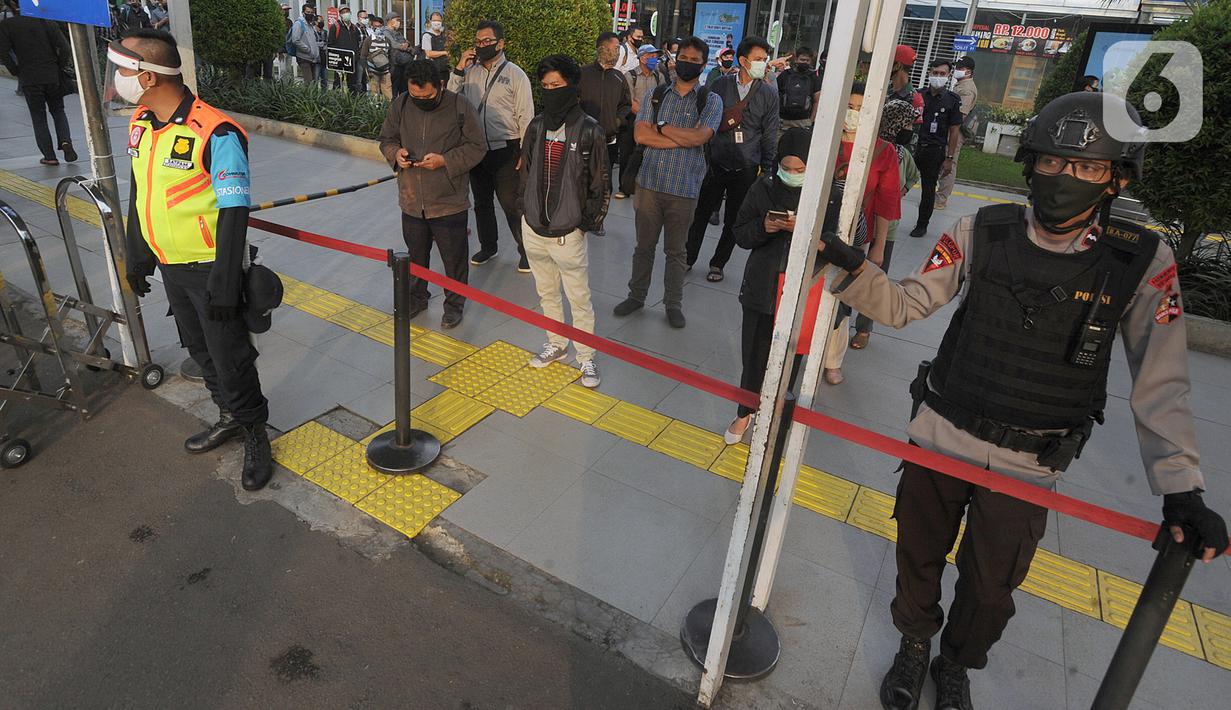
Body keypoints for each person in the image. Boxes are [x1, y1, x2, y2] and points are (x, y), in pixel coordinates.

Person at [812, 91, 1230, 710]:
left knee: (991, 588)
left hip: (1030, 463)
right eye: (1054, 163)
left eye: (1088, 168)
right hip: (941, 434)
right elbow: (906, 305)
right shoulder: (981, 230)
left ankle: (955, 663)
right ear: (1031, 163)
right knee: (918, 555)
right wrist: (846, 267)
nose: (1066, 178)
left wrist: (1181, 487)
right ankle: (915, 643)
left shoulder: (1141, 261)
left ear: (1115, 180)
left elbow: (1161, 378)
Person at [114, 29, 273, 490]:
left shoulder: (216, 132)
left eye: (124, 70)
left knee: (232, 358)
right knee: (200, 351)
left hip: (210, 268)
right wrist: (137, 253)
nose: (119, 79)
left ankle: (255, 434)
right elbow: (139, 192)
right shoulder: (141, 123)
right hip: (171, 266)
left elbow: (234, 210)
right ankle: (227, 416)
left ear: (147, 76)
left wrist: (225, 285)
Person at [724, 128, 834, 444]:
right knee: (754, 358)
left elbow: (846, 242)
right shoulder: (763, 188)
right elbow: (741, 233)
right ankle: (745, 413)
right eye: (787, 168)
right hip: (763, 288)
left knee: (790, 359)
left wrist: (807, 232)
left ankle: (777, 412)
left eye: (800, 170)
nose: (792, 174)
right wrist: (765, 227)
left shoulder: (826, 194)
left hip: (802, 291)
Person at [613, 35, 721, 329]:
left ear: (703, 64)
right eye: (683, 58)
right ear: (676, 60)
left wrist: (662, 129)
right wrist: (681, 138)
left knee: (677, 252)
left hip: (684, 188)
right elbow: (641, 136)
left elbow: (701, 137)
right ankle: (636, 296)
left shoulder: (710, 100)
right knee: (643, 247)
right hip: (649, 184)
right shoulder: (656, 95)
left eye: (694, 60)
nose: (687, 63)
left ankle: (673, 304)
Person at [519, 54, 609, 389]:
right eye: (544, 86)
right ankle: (556, 344)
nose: (549, 91)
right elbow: (524, 173)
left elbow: (601, 184)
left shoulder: (590, 130)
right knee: (546, 292)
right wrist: (523, 211)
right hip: (534, 228)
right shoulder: (536, 125)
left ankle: (586, 357)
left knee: (578, 297)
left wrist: (585, 224)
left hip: (567, 233)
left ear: (572, 86)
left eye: (556, 85)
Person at [379, 59, 485, 330]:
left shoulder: (460, 106)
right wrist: (396, 154)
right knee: (416, 256)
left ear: (439, 85)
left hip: (448, 202)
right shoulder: (401, 105)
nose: (420, 100)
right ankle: (417, 297)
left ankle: (454, 305)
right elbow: (387, 139)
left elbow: (477, 146)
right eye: (416, 96)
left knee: (454, 259)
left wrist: (445, 161)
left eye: (426, 96)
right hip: (412, 200)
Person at [684, 36, 779, 283]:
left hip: (747, 166)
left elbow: (770, 134)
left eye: (765, 59)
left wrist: (767, 170)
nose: (763, 64)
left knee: (734, 219)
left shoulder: (769, 94)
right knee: (701, 214)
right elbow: (705, 121)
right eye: (759, 59)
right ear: (743, 60)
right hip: (715, 163)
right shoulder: (720, 86)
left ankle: (718, 263)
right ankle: (688, 257)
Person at [448, 20, 534, 271]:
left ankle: (526, 250)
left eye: (487, 41)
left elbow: (525, 116)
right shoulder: (469, 72)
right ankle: (488, 246)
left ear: (500, 43)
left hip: (506, 148)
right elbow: (451, 101)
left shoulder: (515, 74)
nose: (482, 45)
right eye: (478, 41)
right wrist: (459, 68)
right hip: (476, 149)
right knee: (482, 202)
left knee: (510, 203)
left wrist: (525, 151)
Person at [850, 99, 918, 351]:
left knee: (874, 282)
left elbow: (914, 176)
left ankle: (864, 328)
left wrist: (900, 192)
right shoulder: (868, 148)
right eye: (907, 123)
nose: (910, 129)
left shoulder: (903, 155)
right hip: (858, 225)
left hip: (884, 231)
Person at [0, 1, 77, 166]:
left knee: (38, 117)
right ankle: (65, 142)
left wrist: (16, 70)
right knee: (58, 111)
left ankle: (49, 156)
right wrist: (59, 65)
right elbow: (64, 48)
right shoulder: (46, 21)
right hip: (52, 75)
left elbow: (4, 53)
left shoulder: (8, 25)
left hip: (29, 77)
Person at [579, 31, 632, 230]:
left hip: (608, 140)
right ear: (601, 48)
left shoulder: (619, 77)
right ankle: (579, 216)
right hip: (583, 139)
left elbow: (626, 104)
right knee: (581, 180)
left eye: (618, 48)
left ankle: (597, 219)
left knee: (603, 183)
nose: (617, 52)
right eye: (614, 48)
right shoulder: (582, 74)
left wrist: (617, 121)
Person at [908, 59, 962, 239]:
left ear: (948, 76)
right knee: (898, 182)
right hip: (914, 146)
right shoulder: (918, 95)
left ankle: (922, 225)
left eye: (942, 74)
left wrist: (950, 158)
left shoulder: (952, 100)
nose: (938, 77)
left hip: (935, 150)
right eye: (935, 73)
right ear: (929, 73)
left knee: (928, 189)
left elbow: (954, 131)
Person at [616, 44, 668, 199]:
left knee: (646, 155)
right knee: (626, 153)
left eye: (655, 56)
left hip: (652, 121)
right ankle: (624, 187)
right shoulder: (630, 75)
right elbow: (630, 101)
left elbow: (663, 97)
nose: (654, 59)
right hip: (632, 119)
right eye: (651, 56)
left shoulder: (659, 76)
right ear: (642, 57)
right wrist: (644, 116)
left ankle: (641, 186)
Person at [935, 55, 977, 211]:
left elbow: (960, 115)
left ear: (968, 72)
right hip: (949, 130)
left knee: (949, 163)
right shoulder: (960, 86)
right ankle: (940, 196)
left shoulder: (967, 90)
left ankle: (941, 199)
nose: (956, 71)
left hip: (955, 132)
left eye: (960, 68)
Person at [777, 46, 822, 134]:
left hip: (803, 122)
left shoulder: (814, 78)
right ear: (796, 59)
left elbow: (817, 101)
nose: (805, 62)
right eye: (802, 60)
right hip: (783, 121)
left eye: (807, 60)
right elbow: (775, 96)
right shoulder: (785, 75)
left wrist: (811, 121)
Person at [327, 6, 363, 93]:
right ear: (340, 14)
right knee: (338, 82)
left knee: (352, 83)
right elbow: (330, 44)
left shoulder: (354, 28)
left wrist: (357, 56)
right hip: (340, 61)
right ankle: (336, 100)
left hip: (353, 60)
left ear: (350, 13)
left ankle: (352, 102)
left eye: (347, 11)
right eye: (343, 12)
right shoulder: (335, 27)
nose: (346, 13)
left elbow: (358, 42)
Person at [888, 44, 923, 125]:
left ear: (897, 66)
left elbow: (912, 135)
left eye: (889, 62)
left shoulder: (914, 99)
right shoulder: (884, 90)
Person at [359, 14, 392, 98]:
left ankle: (388, 109)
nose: (377, 28)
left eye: (379, 26)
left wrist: (391, 69)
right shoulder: (368, 40)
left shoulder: (387, 40)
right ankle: (374, 110)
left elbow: (391, 55)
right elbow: (363, 56)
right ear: (372, 27)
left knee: (388, 94)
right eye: (375, 26)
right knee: (374, 94)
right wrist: (367, 71)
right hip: (372, 72)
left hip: (385, 72)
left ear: (383, 27)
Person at [385, 13, 415, 98]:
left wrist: (405, 47)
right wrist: (403, 46)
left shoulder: (398, 33)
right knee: (394, 89)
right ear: (390, 21)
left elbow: (407, 43)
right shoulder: (385, 32)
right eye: (397, 20)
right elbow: (394, 44)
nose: (399, 22)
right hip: (394, 65)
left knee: (404, 88)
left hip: (404, 65)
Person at [289, 4, 320, 83]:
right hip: (303, 58)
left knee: (314, 82)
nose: (310, 14)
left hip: (312, 58)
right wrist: (307, 49)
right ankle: (307, 95)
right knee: (308, 82)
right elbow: (295, 40)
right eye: (308, 12)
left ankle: (313, 95)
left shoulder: (310, 25)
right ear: (303, 12)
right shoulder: (299, 24)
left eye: (311, 12)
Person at [420, 11, 449, 75]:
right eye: (434, 20)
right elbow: (429, 54)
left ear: (442, 21)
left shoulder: (444, 35)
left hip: (444, 69)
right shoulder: (427, 36)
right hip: (432, 70)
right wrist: (445, 52)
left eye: (439, 20)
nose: (436, 22)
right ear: (430, 21)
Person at [313, 15, 329, 88]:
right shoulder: (312, 32)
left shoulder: (325, 32)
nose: (322, 22)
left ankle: (324, 97)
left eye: (323, 21)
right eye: (320, 21)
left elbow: (327, 43)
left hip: (324, 59)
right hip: (316, 59)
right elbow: (312, 44)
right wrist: (322, 44)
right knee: (315, 79)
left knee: (325, 79)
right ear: (316, 22)